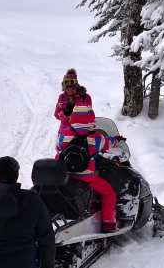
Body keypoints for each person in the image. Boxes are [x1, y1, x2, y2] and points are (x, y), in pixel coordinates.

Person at [54, 69, 118, 233]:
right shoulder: (95, 138)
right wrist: (117, 140)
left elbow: (58, 149)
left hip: (66, 169)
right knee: (109, 192)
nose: (69, 87)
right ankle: (109, 224)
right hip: (86, 178)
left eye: (72, 83)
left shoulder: (63, 136)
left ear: (76, 83)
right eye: (67, 84)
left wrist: (69, 120)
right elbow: (108, 144)